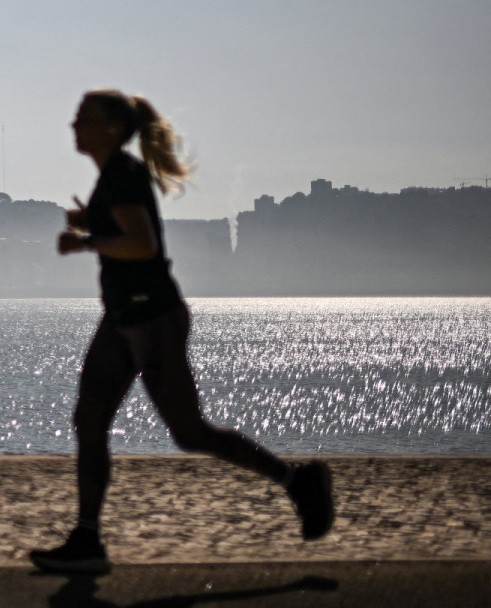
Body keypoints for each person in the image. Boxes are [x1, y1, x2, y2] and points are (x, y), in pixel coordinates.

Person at [29, 90, 335, 575]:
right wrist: (94, 220)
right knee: (89, 420)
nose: (73, 126)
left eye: (84, 119)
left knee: (190, 433)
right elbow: (131, 230)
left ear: (111, 127)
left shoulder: (124, 175)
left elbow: (144, 246)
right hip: (123, 317)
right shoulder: (113, 177)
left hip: (153, 319)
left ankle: (298, 482)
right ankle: (87, 538)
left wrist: (87, 240)